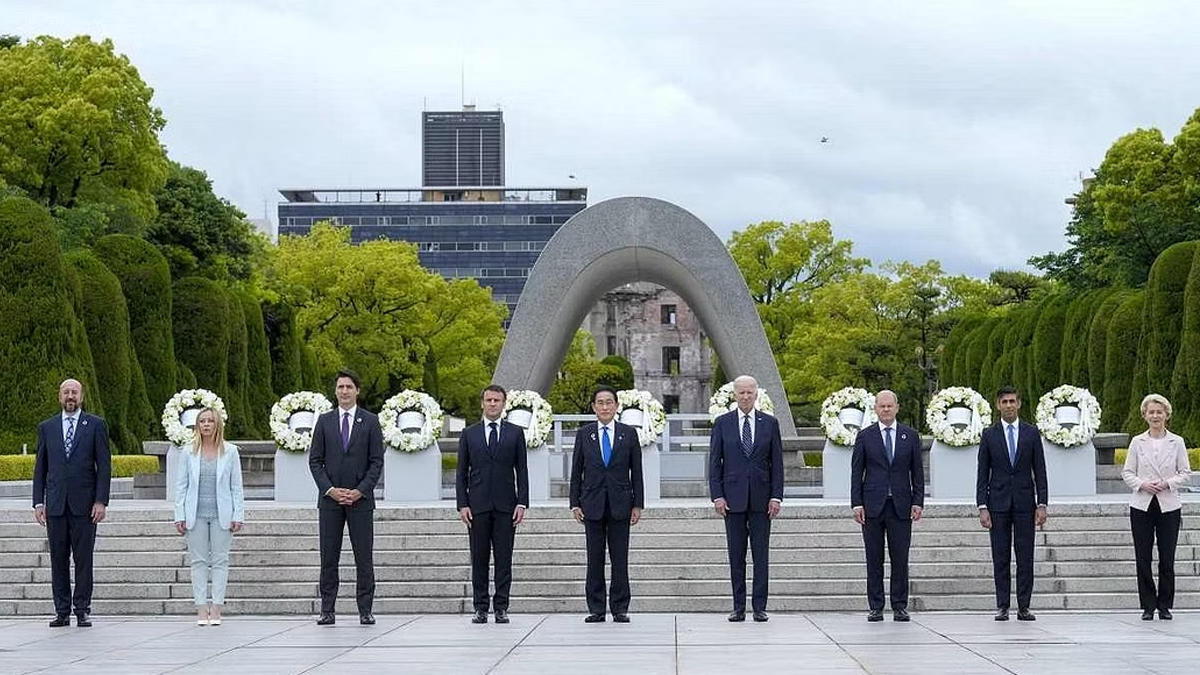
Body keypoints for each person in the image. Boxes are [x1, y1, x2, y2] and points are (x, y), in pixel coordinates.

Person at [32, 378, 111, 628]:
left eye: (74, 392)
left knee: (83, 559)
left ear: (81, 396)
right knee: (58, 559)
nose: (70, 396)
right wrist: (38, 503)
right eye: (66, 392)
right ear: (59, 396)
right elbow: (40, 468)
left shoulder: (95, 425)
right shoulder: (47, 427)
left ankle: (82, 609)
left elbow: (104, 467)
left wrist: (101, 500)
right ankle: (62, 611)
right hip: (55, 505)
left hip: (85, 506)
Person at [309, 369, 385, 626]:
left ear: (357, 391)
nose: (344, 391)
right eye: (340, 387)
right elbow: (315, 461)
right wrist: (329, 490)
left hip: (360, 501)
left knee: (364, 556)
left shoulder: (370, 421)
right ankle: (327, 610)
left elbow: (376, 462)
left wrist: (360, 490)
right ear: (335, 391)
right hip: (330, 502)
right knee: (328, 557)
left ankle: (365, 609)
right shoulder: (324, 421)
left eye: (349, 387)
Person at [709, 375, 784, 622]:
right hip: (733, 500)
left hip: (762, 501)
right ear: (734, 395)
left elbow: (777, 464)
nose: (745, 396)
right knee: (736, 555)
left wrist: (776, 496)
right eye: (741, 392)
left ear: (756, 394)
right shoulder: (722, 423)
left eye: (750, 392)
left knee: (761, 555)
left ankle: (759, 607)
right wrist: (717, 496)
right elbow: (715, 463)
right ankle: (738, 606)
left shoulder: (770, 423)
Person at [569, 386, 644, 623]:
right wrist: (574, 502)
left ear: (616, 406)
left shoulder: (628, 433)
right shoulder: (584, 434)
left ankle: (620, 607)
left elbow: (637, 472)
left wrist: (638, 504)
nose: (604, 407)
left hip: (621, 503)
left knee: (620, 558)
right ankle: (597, 608)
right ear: (593, 407)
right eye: (600, 403)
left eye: (609, 403)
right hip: (591, 504)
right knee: (595, 557)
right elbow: (576, 471)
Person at [456, 384, 530, 624]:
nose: (492, 404)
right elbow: (461, 473)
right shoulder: (470, 434)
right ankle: (480, 607)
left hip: (506, 506)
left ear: (504, 403)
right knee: (478, 558)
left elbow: (522, 470)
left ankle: (501, 607)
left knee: (503, 558)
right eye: (488, 400)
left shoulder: (515, 433)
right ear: (482, 403)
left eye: (497, 400)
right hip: (477, 507)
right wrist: (462, 504)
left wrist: (522, 503)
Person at [850, 389, 923, 622]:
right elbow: (856, 472)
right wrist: (856, 503)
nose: (886, 410)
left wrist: (918, 501)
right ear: (875, 409)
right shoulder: (865, 436)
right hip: (872, 505)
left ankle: (900, 605)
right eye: (881, 406)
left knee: (900, 557)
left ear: (897, 407)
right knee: (874, 557)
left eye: (889, 406)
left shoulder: (910, 436)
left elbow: (918, 473)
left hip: (901, 505)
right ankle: (876, 606)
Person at [976, 386, 1048, 621]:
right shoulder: (989, 435)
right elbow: (982, 473)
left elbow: (1040, 470)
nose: (1008, 405)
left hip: (1025, 503)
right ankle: (1003, 605)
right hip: (998, 504)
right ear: (998, 405)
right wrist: (982, 506)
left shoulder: (1031, 433)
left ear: (1019, 404)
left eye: (1012, 401)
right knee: (1001, 556)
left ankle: (1024, 606)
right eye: (1004, 401)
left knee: (1025, 556)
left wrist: (1042, 503)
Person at [1122, 393, 1192, 620]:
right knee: (1143, 556)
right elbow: (1127, 472)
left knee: (1167, 557)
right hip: (1142, 505)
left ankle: (1164, 605)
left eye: (1159, 412)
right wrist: (1142, 484)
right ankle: (1148, 605)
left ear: (1166, 415)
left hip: (1168, 505)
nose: (1155, 416)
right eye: (1151, 412)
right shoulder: (1137, 442)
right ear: (1145, 415)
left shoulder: (1177, 442)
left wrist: (1167, 484)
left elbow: (1185, 473)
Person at [173, 408, 246, 626]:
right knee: (198, 562)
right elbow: (181, 486)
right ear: (197, 425)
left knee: (221, 561)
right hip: (195, 513)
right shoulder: (188, 452)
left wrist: (238, 514)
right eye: (202, 421)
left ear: (217, 425)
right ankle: (201, 609)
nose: (206, 425)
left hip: (221, 514)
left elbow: (236, 487)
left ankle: (216, 608)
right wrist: (179, 514)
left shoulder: (230, 452)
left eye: (210, 421)